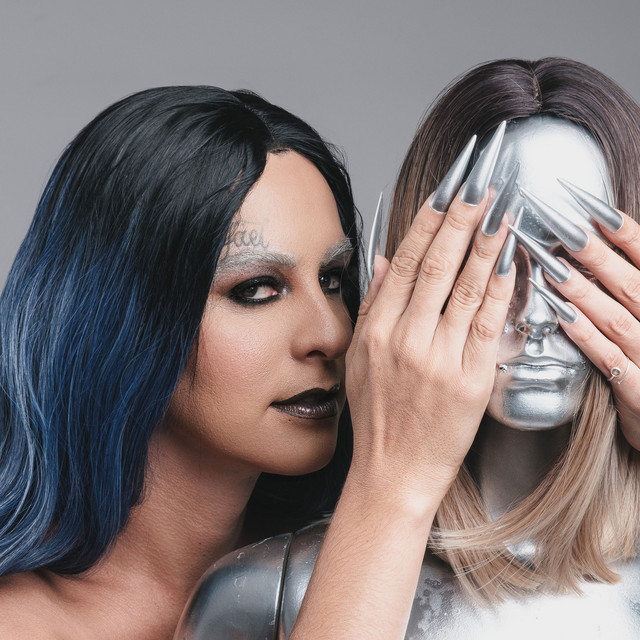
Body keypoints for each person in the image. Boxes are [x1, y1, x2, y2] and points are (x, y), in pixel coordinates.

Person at [176, 58, 640, 639]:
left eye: (573, 264)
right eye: (495, 262)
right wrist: (392, 487)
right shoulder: (265, 594)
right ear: (423, 268)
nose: (537, 318)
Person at [0, 86, 366, 638]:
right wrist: (389, 494)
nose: (333, 333)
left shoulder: (368, 567)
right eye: (257, 289)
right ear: (118, 318)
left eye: (332, 279)